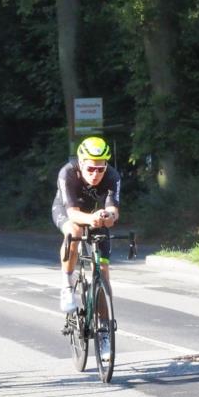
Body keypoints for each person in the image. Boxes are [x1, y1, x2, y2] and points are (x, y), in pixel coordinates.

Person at [51, 137, 121, 362]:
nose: (96, 173)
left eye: (101, 168)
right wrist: (91, 218)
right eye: (90, 168)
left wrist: (107, 216)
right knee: (74, 232)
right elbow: (72, 213)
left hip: (95, 216)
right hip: (70, 211)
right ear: (80, 163)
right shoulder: (67, 173)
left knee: (103, 270)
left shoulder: (112, 176)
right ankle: (67, 284)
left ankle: (104, 331)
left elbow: (113, 211)